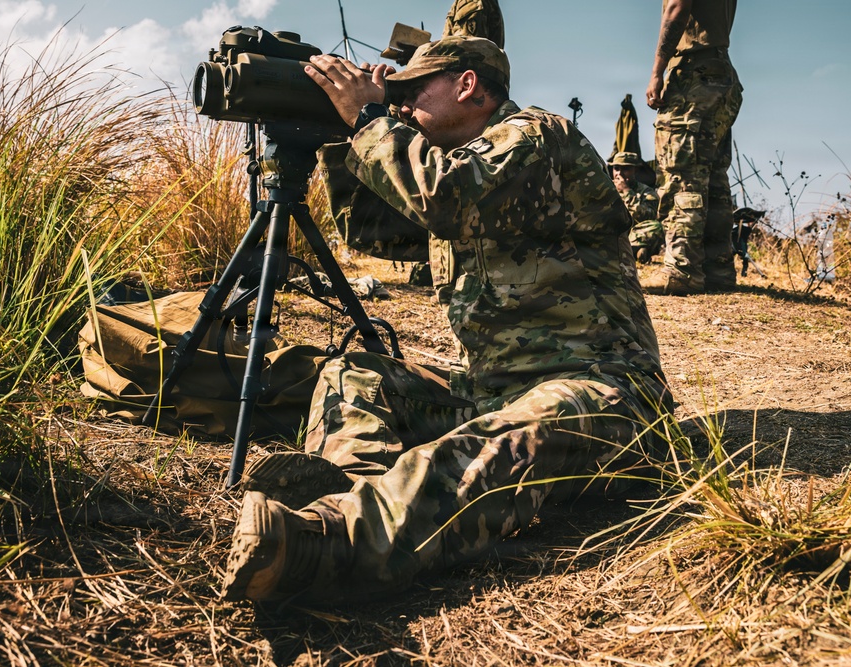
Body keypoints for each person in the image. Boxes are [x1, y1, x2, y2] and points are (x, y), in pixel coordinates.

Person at [220, 36, 671, 604]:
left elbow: (442, 196)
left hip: (604, 386)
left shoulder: (535, 137)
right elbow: (375, 230)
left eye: (412, 92)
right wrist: (341, 138)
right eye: (397, 98)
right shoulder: (448, 163)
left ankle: (329, 545)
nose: (402, 107)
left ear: (468, 84)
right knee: (353, 376)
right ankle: (353, 490)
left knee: (507, 441)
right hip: (494, 389)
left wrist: (369, 117)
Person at [646, 0, 743, 295]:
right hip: (721, 71)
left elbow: (677, 7)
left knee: (682, 171)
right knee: (713, 177)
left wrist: (657, 71)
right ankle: (718, 270)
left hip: (693, 71)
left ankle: (682, 269)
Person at [609, 151, 663, 263]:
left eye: (626, 169)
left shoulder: (646, 191)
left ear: (636, 170)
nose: (619, 173)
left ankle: (630, 250)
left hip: (633, 234)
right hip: (611, 232)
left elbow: (647, 217)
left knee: (656, 227)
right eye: (616, 168)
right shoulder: (605, 188)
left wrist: (626, 191)